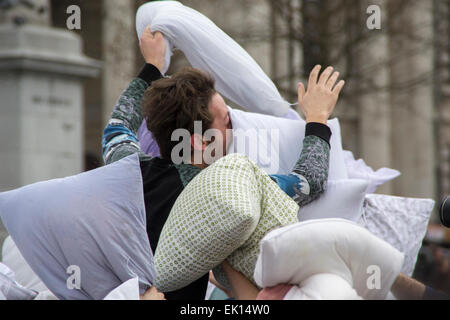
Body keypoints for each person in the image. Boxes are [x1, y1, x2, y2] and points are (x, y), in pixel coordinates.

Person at [102, 26, 345, 300]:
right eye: (226, 120)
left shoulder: (129, 171)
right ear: (199, 142)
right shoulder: (226, 194)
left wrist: (153, 66)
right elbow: (307, 181)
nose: (234, 124)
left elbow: (118, 126)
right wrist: (317, 117)